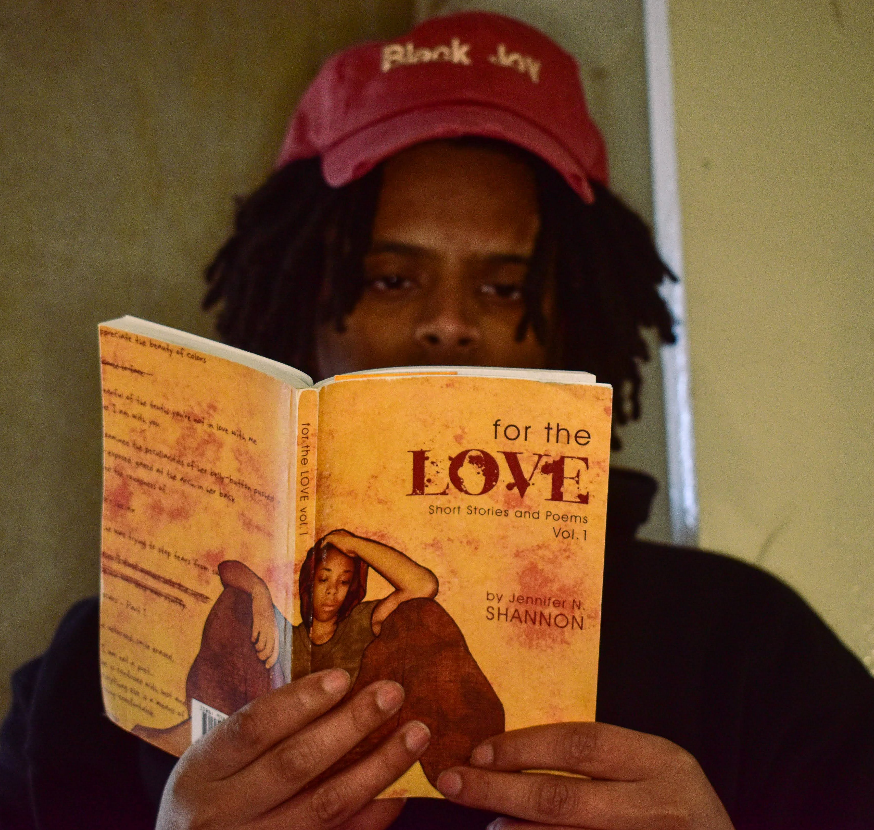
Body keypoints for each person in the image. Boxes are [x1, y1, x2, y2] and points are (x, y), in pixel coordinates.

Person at [2, 10, 873, 830]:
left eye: (504, 286)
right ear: (304, 306)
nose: (449, 322)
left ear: (577, 320)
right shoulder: (106, 669)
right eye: (390, 277)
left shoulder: (745, 647)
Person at [132, 531, 504, 786]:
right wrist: (260, 594)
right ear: (309, 581)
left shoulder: (363, 620)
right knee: (236, 602)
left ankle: (467, 759)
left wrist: (352, 543)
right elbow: (228, 571)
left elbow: (423, 586)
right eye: (324, 578)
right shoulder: (285, 634)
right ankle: (205, 732)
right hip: (275, 737)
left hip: (355, 735)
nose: (332, 592)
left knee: (420, 615)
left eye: (344, 581)